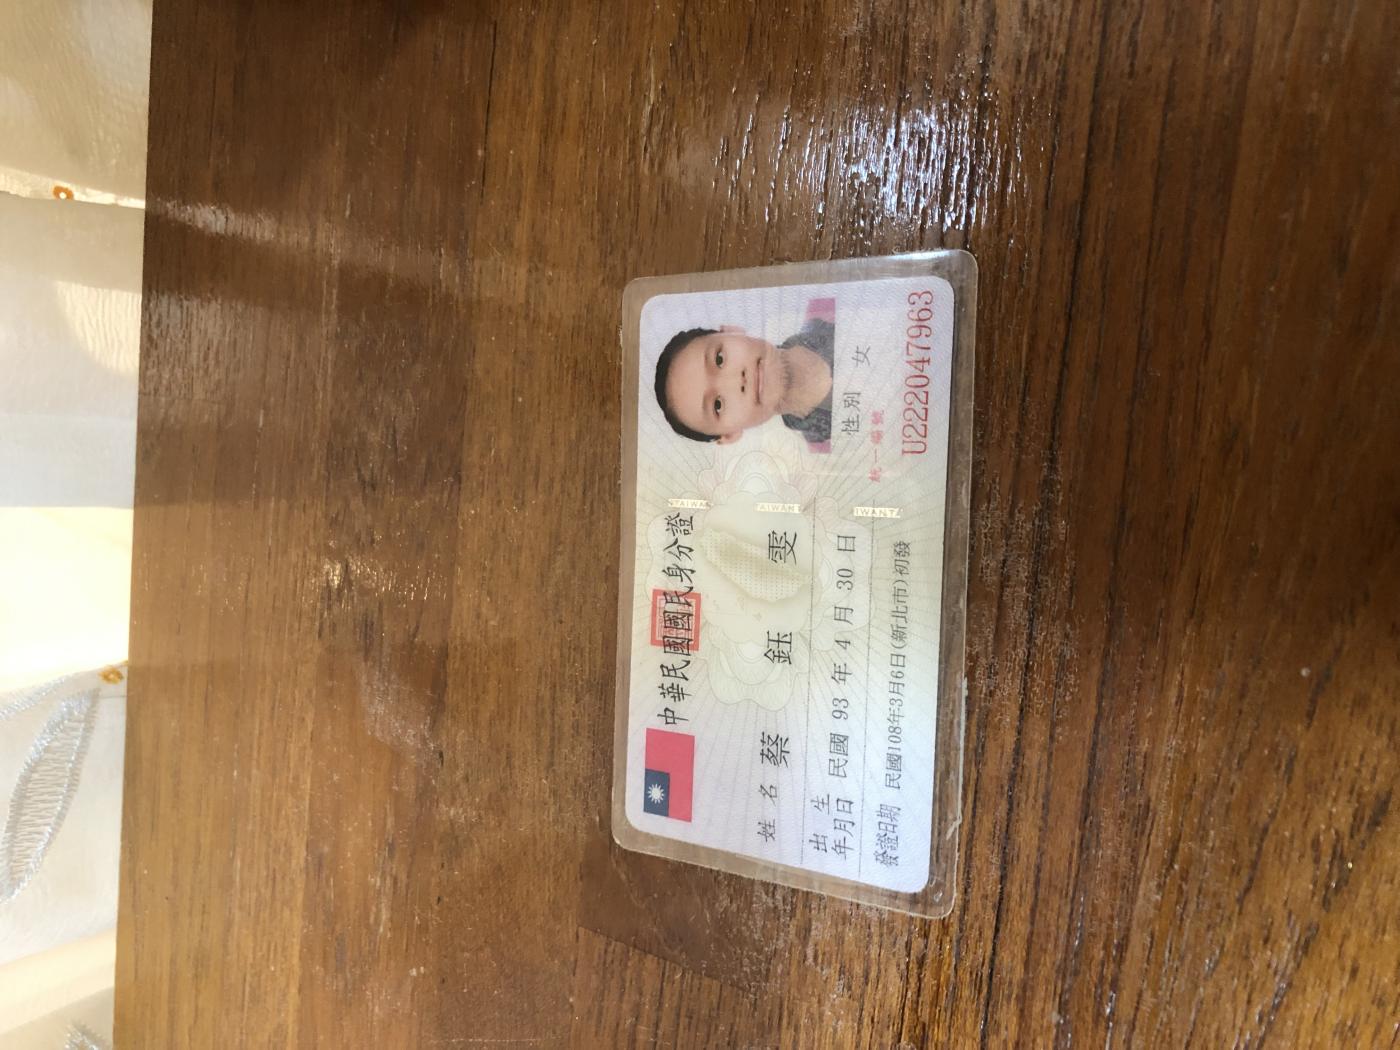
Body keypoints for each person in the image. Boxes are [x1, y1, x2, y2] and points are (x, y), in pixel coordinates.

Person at [653, 302, 835, 449]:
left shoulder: (828, 305)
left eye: (719, 359)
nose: (736, 382)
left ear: (732, 331)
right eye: (717, 405)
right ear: (730, 435)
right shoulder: (826, 450)